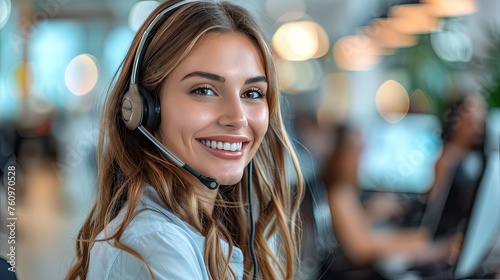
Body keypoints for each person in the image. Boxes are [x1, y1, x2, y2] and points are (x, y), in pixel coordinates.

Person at [65, 1, 304, 279]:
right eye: (204, 90)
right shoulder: (154, 246)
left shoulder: (204, 233)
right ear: (143, 109)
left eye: (252, 93)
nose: (238, 118)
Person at [320, 125, 458, 279]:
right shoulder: (339, 193)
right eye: (356, 150)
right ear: (339, 154)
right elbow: (361, 248)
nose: (361, 158)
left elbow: (357, 232)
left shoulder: (345, 191)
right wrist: (431, 247)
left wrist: (371, 213)